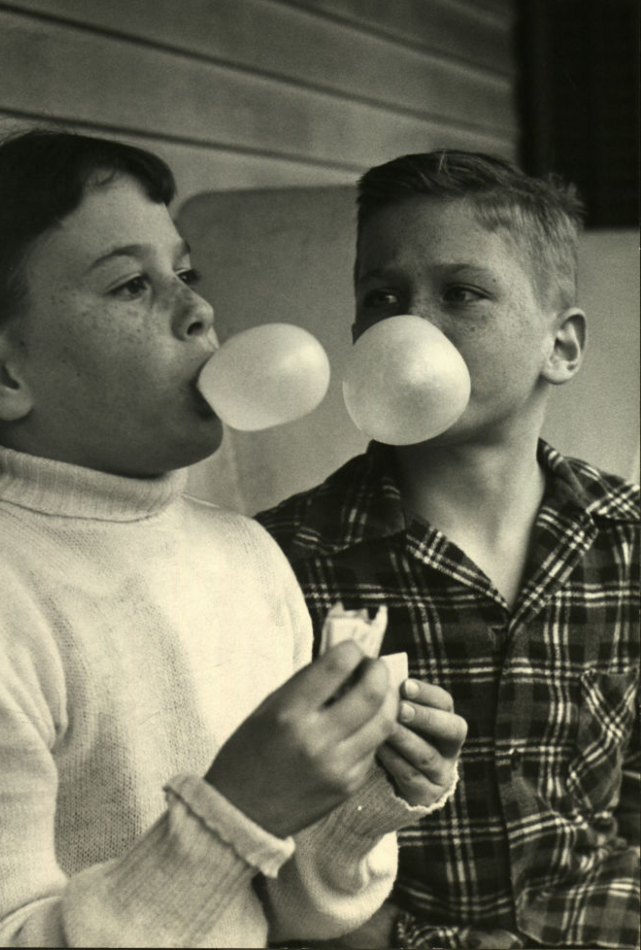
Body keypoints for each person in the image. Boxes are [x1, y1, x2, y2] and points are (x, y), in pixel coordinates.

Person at [0, 131, 466, 948]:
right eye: (133, 284)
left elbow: (292, 910)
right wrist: (237, 809)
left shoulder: (245, 555)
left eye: (187, 272)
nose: (199, 308)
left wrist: (357, 798)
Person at [257, 150, 640, 949]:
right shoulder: (284, 558)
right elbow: (263, 828)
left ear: (561, 347)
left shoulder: (629, 539)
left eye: (461, 293)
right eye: (382, 297)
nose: (409, 324)